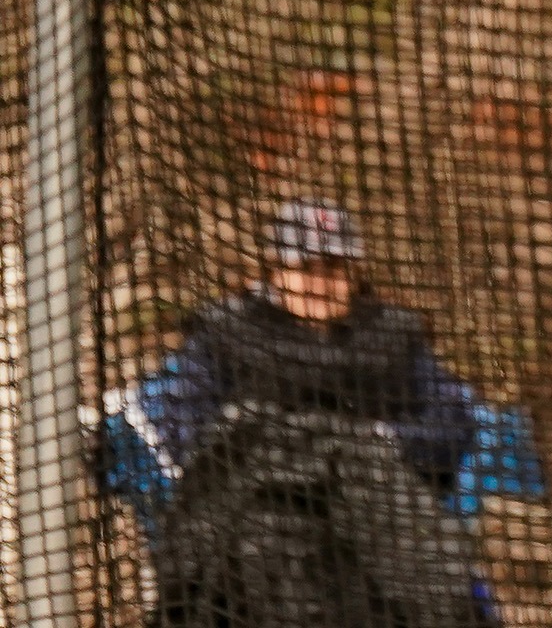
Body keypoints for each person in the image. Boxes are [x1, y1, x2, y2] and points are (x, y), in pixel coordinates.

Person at [143, 197, 496, 628]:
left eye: (333, 269)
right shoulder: (225, 332)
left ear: (354, 273)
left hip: (381, 521)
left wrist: (373, 444)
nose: (319, 282)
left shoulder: (393, 335)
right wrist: (279, 451)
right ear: (276, 268)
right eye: (305, 267)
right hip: (254, 522)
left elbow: (452, 424)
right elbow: (183, 427)